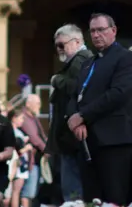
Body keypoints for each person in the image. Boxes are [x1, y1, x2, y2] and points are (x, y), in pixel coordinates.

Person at [66, 13, 132, 205]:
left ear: (113, 31)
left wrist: (83, 115)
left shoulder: (125, 58)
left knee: (114, 199)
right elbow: (75, 96)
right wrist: (74, 119)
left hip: (114, 142)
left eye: (100, 30)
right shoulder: (88, 63)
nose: (95, 35)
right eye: (92, 31)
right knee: (92, 200)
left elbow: (118, 93)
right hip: (88, 142)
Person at [46, 24, 93, 202]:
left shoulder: (81, 58)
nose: (59, 49)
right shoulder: (79, 60)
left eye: (62, 44)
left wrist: (56, 80)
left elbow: (77, 88)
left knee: (73, 193)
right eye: (56, 45)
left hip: (73, 136)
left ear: (77, 42)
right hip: (70, 137)